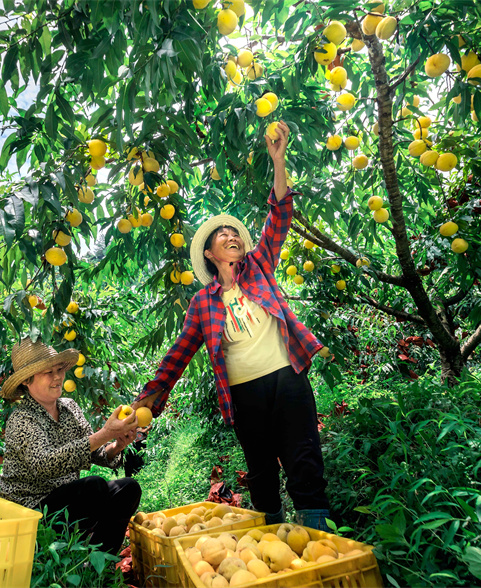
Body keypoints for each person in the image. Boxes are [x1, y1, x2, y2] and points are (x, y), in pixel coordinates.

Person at [132, 121, 332, 531]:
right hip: (243, 393)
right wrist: (145, 402)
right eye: (222, 235)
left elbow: (280, 216)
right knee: (261, 471)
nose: (231, 236)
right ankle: (273, 540)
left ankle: (318, 542)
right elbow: (176, 358)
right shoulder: (203, 302)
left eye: (235, 233)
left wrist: (278, 160)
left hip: (287, 378)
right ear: (209, 253)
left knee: (305, 460)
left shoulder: (259, 265)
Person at [0, 337, 141, 554]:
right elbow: (45, 465)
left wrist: (117, 445)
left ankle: (99, 563)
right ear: (27, 380)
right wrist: (105, 433)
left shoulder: (69, 408)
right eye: (48, 372)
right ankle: (61, 553)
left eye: (59, 369)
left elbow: (96, 452)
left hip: (66, 503)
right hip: (31, 512)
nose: (57, 377)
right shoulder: (22, 419)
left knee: (128, 488)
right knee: (93, 487)